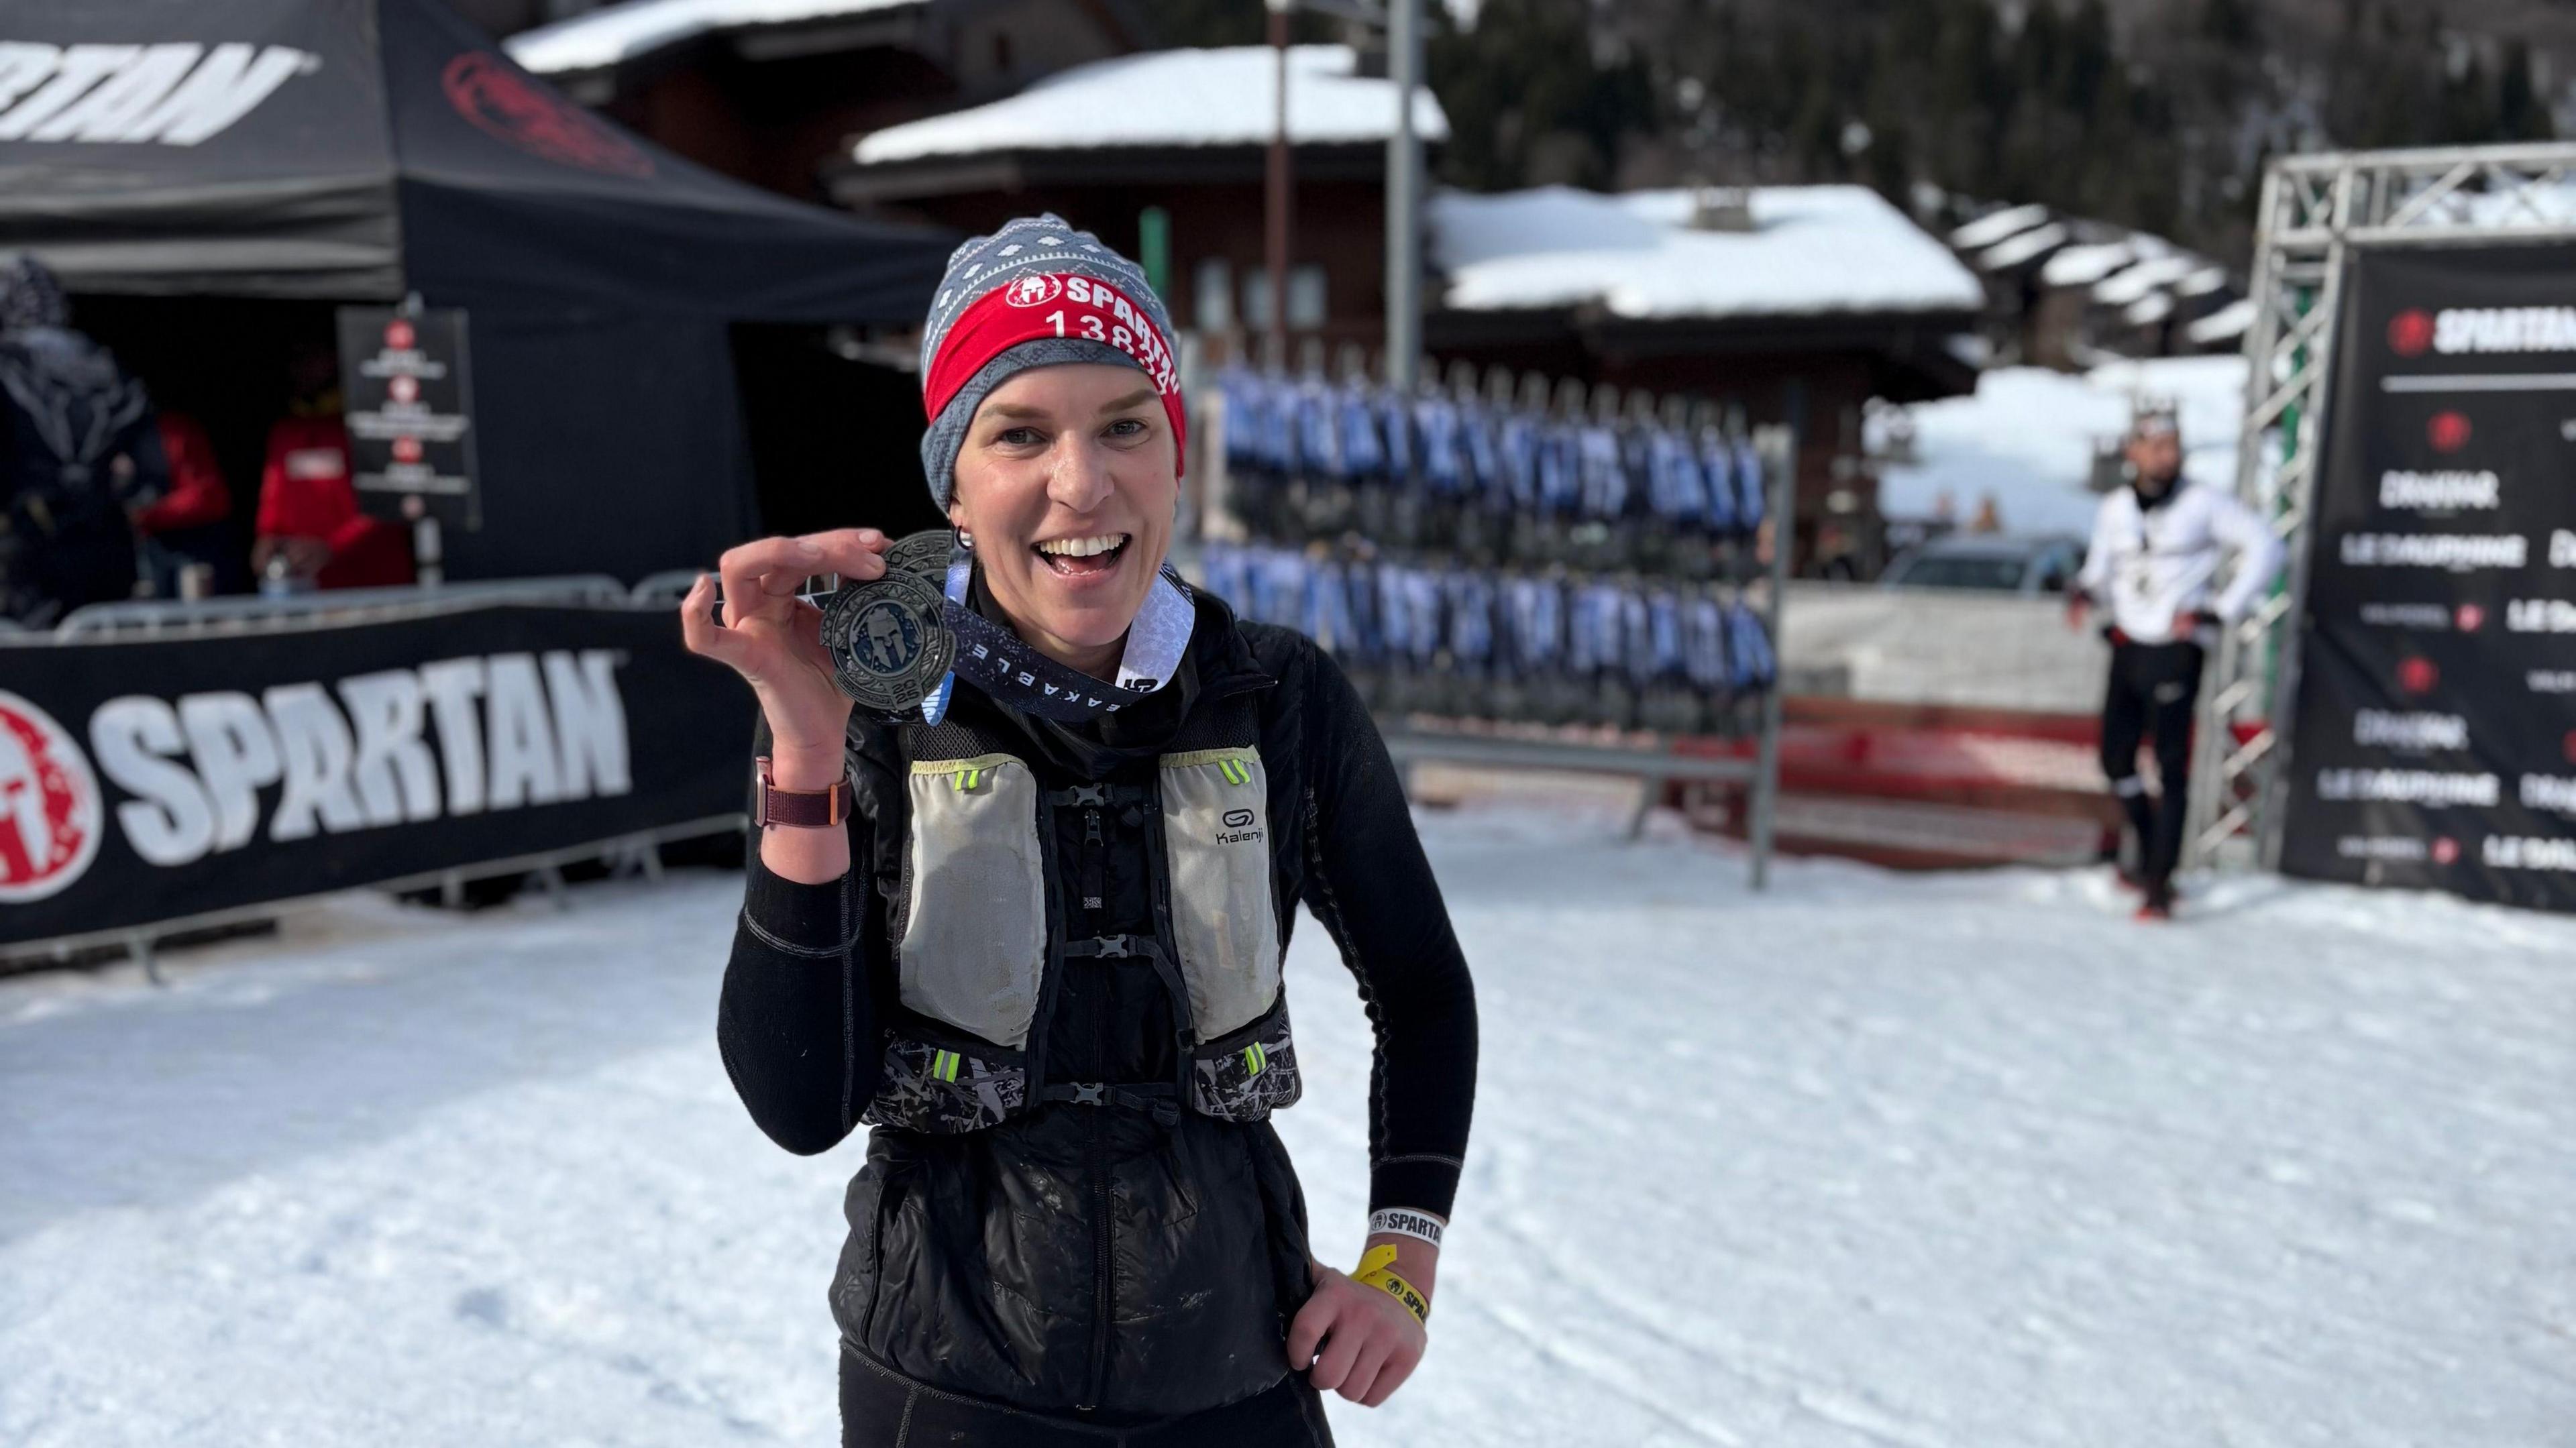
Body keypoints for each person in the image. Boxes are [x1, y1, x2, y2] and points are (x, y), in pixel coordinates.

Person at [681, 217, 1479, 1447]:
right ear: (954, 477)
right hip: (945, 1388)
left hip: (1239, 1373)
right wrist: (803, 742)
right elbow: (798, 1100)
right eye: (1020, 433)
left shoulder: (1274, 695)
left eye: (1124, 425)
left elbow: (1423, 990)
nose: (1081, 483)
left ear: (1178, 452)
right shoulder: (870, 703)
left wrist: (1401, 1263)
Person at [2069, 401, 2283, 920]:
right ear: (2133, 451)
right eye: (2156, 447)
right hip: (2128, 643)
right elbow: (2101, 569)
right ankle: (2144, 851)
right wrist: (2081, 592)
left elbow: (2267, 546)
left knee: (2170, 764)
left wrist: (2220, 608)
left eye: (2174, 447)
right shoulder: (2116, 507)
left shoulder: (2204, 502)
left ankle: (2160, 883)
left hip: (2177, 648)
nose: (2167, 457)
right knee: (2115, 759)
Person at [0, 254, 168, 625]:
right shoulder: (106, 364)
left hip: (32, 548)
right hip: (106, 543)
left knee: (31, 665)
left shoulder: (8, 362)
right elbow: (154, 475)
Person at [253, 342, 413, 591]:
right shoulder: (286, 432)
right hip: (307, 583)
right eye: (297, 361)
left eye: (311, 359)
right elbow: (274, 497)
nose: (302, 369)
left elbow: (388, 502)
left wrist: (333, 547)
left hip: (373, 581)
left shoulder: (368, 424)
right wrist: (267, 537)